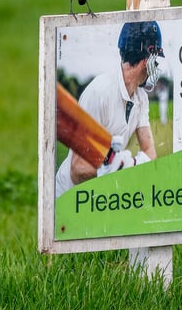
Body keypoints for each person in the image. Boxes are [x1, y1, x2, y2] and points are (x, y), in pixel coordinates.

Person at [56, 21, 165, 197]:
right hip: (69, 197)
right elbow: (77, 170)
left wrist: (132, 166)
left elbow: (150, 151)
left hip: (103, 197)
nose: (156, 66)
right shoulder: (99, 92)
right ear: (147, 60)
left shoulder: (141, 97)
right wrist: (114, 168)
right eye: (156, 59)